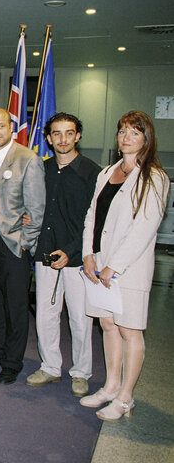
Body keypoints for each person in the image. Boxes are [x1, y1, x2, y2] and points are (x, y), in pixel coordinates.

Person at [80, 111, 169, 420]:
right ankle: (110, 387)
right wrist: (89, 254)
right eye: (122, 132)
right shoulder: (107, 172)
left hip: (128, 269)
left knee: (130, 330)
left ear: (146, 139)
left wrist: (113, 266)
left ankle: (126, 397)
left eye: (134, 132)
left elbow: (145, 228)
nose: (126, 138)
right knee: (107, 325)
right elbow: (92, 215)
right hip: (99, 262)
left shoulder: (155, 177)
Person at [26, 113, 100, 396]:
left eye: (69, 133)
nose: (63, 139)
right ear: (48, 138)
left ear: (78, 136)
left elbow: (94, 221)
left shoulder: (93, 172)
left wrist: (71, 251)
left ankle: (81, 372)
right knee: (45, 314)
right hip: (45, 254)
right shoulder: (41, 169)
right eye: (56, 134)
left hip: (78, 258)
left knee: (80, 318)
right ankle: (50, 367)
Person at [0, 108, 45, 385]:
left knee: (15, 305)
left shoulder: (28, 159)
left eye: (0, 126)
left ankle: (12, 362)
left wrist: (25, 243)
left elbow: (36, 210)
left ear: (11, 128)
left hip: (13, 243)